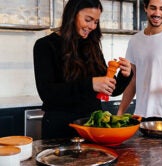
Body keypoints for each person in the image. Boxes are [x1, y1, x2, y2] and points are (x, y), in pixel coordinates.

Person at [33, 0, 133, 139]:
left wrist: (125, 75)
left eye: (96, 22)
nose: (92, 26)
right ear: (72, 15)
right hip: (60, 129)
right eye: (88, 19)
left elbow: (112, 90)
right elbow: (48, 94)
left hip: (92, 128)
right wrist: (91, 84)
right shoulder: (45, 46)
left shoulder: (92, 45)